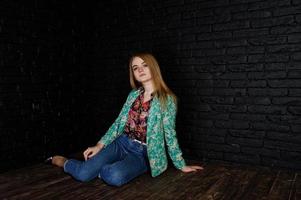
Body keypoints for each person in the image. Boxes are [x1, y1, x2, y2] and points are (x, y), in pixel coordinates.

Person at [48, 53, 203, 187]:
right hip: (122, 143)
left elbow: (170, 135)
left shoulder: (167, 100)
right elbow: (118, 124)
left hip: (142, 153)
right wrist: (99, 146)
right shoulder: (133, 95)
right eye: (135, 68)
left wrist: (181, 164)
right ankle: (62, 161)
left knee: (114, 177)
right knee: (83, 174)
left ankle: (102, 168)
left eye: (144, 65)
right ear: (133, 73)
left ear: (153, 67)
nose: (140, 69)